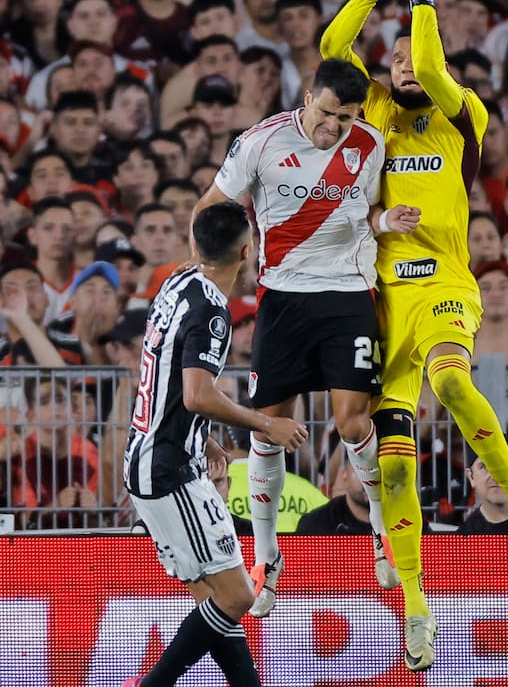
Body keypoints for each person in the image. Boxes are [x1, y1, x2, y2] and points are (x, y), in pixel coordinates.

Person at [321, 0, 508, 672]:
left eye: (415, 59)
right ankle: (418, 607)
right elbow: (334, 52)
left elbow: (429, 60)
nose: (405, 67)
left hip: (448, 284)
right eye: (394, 61)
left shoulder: (463, 113)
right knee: (392, 467)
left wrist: (420, 0)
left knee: (451, 383)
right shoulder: (380, 112)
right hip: (387, 300)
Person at [188, 58, 418, 617]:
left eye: (344, 117)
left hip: (348, 295)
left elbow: (366, 215)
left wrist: (387, 223)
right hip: (282, 300)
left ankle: (382, 533)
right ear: (307, 96)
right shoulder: (261, 142)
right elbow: (208, 210)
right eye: (325, 113)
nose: (333, 126)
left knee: (353, 423)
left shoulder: (369, 143)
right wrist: (207, 284)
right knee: (266, 434)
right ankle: (266, 558)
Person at [122, 201, 306, 687]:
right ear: (248, 251)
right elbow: (197, 393)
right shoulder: (213, 312)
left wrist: (202, 437)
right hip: (168, 471)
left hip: (159, 456)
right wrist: (267, 427)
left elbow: (173, 376)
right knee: (238, 596)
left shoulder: (176, 282)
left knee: (215, 596)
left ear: (194, 245)